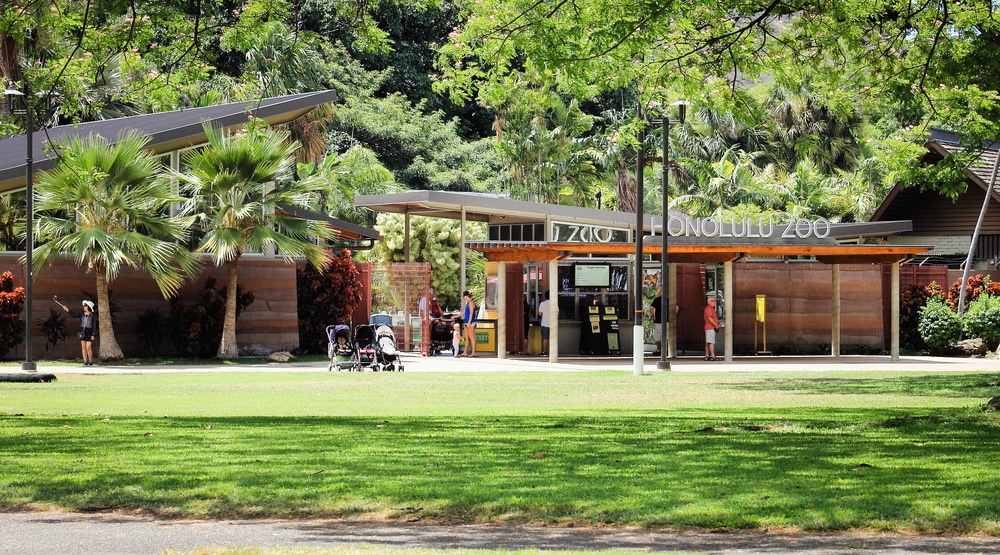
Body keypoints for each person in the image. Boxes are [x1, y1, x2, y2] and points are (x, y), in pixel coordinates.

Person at [63, 300, 97, 366]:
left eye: (85, 306)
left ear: (89, 307)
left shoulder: (93, 315)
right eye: (84, 305)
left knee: (88, 347)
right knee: (83, 347)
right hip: (82, 332)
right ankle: (85, 362)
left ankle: (90, 361)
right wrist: (67, 310)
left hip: (89, 332)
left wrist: (93, 334)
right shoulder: (82, 314)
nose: (84, 307)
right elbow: (74, 315)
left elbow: (94, 325)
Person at [703, 294, 720, 361]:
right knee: (711, 342)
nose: (714, 302)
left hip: (709, 327)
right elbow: (710, 318)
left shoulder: (710, 309)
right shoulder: (709, 309)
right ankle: (712, 356)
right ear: (709, 302)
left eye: (714, 301)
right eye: (712, 301)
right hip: (710, 327)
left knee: (708, 342)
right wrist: (716, 325)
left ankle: (707, 355)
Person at [461, 290, 477, 357]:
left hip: (470, 322)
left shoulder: (471, 303)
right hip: (466, 321)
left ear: (466, 296)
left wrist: (469, 322)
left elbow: (471, 313)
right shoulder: (467, 303)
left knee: (471, 337)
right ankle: (465, 352)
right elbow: (464, 312)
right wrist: (455, 316)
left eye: (463, 296)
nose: (462, 297)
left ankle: (473, 353)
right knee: (467, 337)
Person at [537, 291, 552, 356]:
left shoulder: (542, 304)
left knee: (545, 338)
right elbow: (557, 313)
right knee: (552, 338)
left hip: (544, 323)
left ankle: (544, 352)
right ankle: (552, 351)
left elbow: (540, 314)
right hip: (552, 323)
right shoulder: (554, 303)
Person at [650, 289, 663, 356]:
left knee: (658, 336)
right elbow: (676, 307)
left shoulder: (657, 300)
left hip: (658, 320)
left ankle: (659, 350)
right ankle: (666, 350)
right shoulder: (669, 299)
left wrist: (653, 316)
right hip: (667, 320)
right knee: (667, 336)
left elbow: (651, 308)